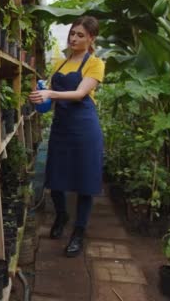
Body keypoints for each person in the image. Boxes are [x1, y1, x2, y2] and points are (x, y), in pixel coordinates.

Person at [29, 16, 105, 257]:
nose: (74, 38)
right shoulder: (60, 65)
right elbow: (50, 100)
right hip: (61, 127)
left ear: (91, 39)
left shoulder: (95, 63)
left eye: (80, 35)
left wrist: (51, 92)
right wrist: (40, 98)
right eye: (72, 33)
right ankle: (62, 215)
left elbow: (81, 93)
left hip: (84, 127)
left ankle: (79, 232)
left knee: (85, 182)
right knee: (56, 177)